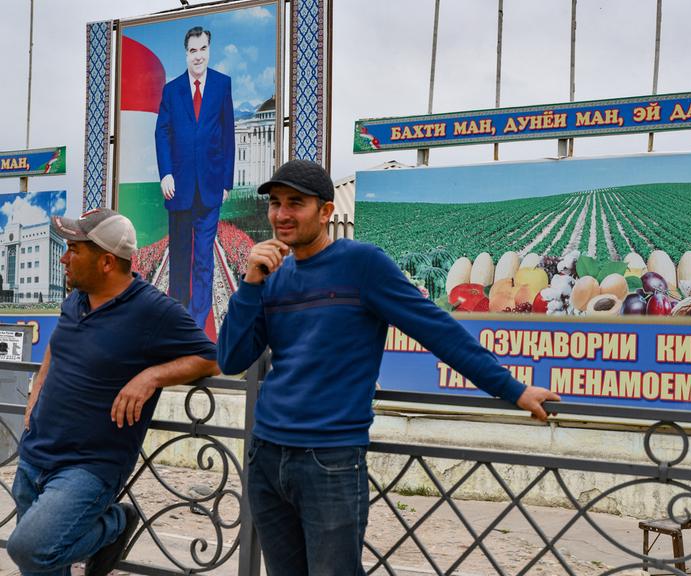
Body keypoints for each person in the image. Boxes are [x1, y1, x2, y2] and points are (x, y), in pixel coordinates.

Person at [217, 159, 561, 576]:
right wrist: (250, 283)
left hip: (329, 459)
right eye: (275, 203)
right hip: (266, 457)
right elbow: (231, 359)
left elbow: (437, 330)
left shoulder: (362, 265)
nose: (281, 214)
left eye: (296, 203)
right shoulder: (271, 276)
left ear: (326, 211)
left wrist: (513, 389)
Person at [8, 208, 219, 576]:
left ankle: (114, 525)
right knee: (44, 566)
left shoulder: (153, 310)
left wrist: (151, 376)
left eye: (74, 249)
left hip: (88, 467)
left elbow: (211, 359)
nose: (64, 257)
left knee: (30, 549)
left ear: (106, 261)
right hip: (36, 451)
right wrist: (36, 390)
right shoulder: (76, 299)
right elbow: (59, 344)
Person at [155, 25, 235, 331]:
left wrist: (226, 181)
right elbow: (162, 132)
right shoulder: (172, 90)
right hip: (179, 189)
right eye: (193, 51)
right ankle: (178, 322)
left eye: (203, 49)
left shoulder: (222, 84)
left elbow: (228, 134)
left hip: (211, 187)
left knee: (204, 259)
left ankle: (197, 325)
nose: (198, 56)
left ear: (209, 50)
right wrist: (166, 174)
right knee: (179, 259)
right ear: (185, 53)